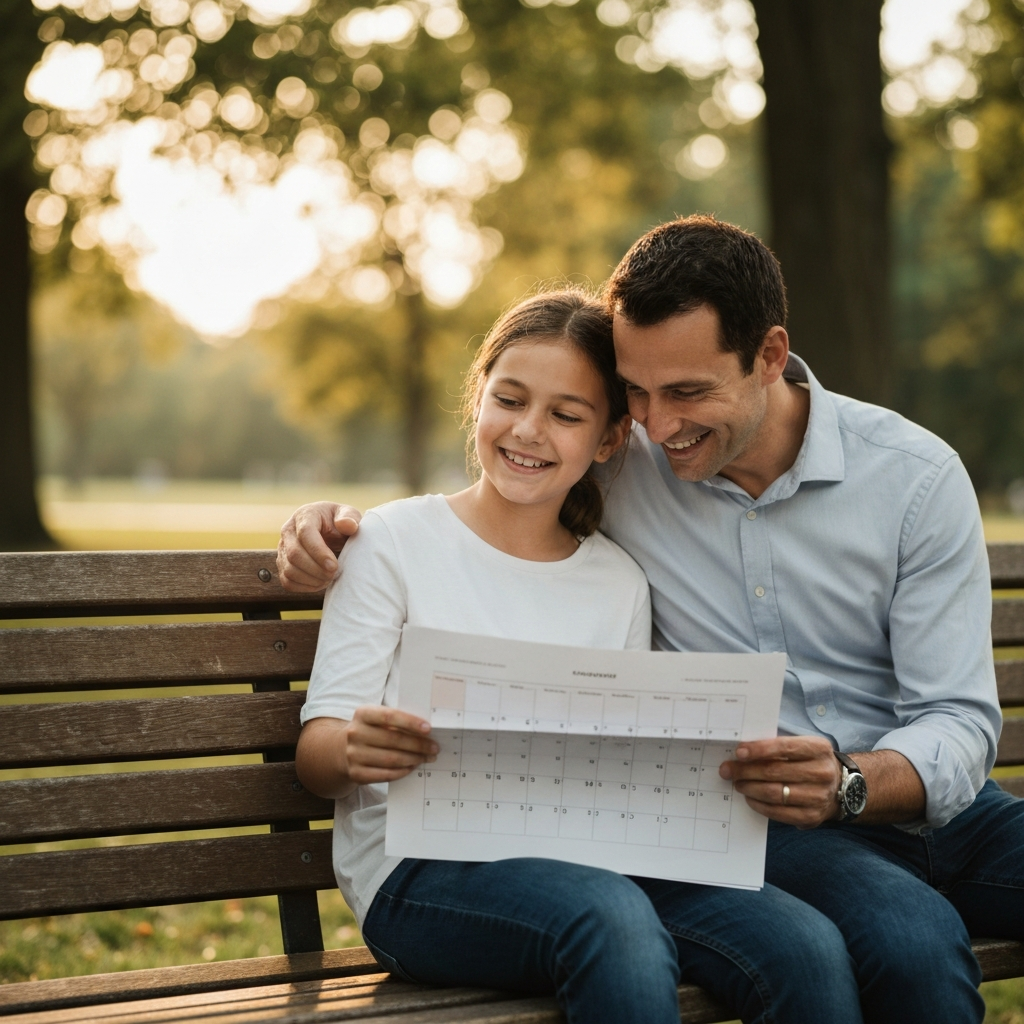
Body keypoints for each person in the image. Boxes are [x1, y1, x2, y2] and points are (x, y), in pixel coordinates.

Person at [279, 217, 1024, 1024]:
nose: (659, 425)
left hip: (912, 796)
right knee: (906, 943)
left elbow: (956, 717)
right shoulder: (619, 456)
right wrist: (316, 528)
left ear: (769, 357)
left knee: (816, 942)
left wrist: (850, 782)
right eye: (635, 393)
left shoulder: (909, 480)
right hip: (757, 819)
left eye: (687, 392)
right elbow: (502, 479)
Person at [293, 287, 863, 1024]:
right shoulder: (392, 544)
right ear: (478, 401)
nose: (529, 431)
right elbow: (316, 753)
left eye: (566, 415)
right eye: (510, 400)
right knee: (609, 919)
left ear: (609, 439)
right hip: (418, 874)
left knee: (803, 944)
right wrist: (356, 748)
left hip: (594, 860)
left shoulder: (617, 582)